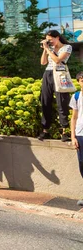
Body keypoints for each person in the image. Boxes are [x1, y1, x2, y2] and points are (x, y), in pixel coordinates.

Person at [39, 30, 72, 141]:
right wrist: (45, 49)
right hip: (48, 74)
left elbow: (58, 60)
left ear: (57, 37)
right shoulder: (49, 49)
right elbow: (43, 63)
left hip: (60, 74)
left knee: (62, 102)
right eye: (47, 40)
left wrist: (48, 49)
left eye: (50, 39)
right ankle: (45, 130)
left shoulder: (67, 47)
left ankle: (65, 131)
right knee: (45, 102)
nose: (49, 42)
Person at [69, 72, 83, 207]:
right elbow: (73, 118)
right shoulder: (76, 96)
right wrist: (73, 137)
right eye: (82, 80)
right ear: (78, 82)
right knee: (82, 165)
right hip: (80, 135)